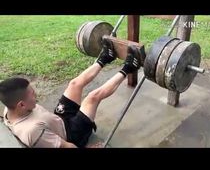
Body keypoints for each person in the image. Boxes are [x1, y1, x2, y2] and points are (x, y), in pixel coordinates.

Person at [0, 38, 141, 148]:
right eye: (32, 94)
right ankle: (130, 66)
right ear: (22, 105)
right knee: (92, 98)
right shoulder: (32, 132)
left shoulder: (9, 109)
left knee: (74, 84)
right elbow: (67, 146)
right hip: (72, 135)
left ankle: (106, 57)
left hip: (59, 120)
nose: (36, 95)